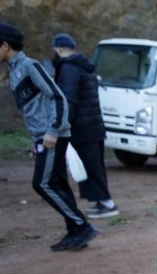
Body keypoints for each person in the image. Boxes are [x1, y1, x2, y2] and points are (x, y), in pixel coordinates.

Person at [1, 23, 98, 251]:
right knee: (58, 183)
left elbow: (57, 97)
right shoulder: (15, 71)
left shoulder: (29, 66)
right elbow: (31, 109)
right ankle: (75, 231)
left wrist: (53, 130)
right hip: (42, 138)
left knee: (42, 184)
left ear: (5, 45)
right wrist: (34, 141)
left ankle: (81, 225)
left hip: (53, 135)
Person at [52, 33, 119, 218]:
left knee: (91, 167)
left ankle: (108, 204)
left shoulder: (69, 69)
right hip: (93, 125)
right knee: (95, 165)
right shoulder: (85, 66)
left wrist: (63, 124)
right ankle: (100, 202)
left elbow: (70, 100)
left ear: (58, 49)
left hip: (82, 128)